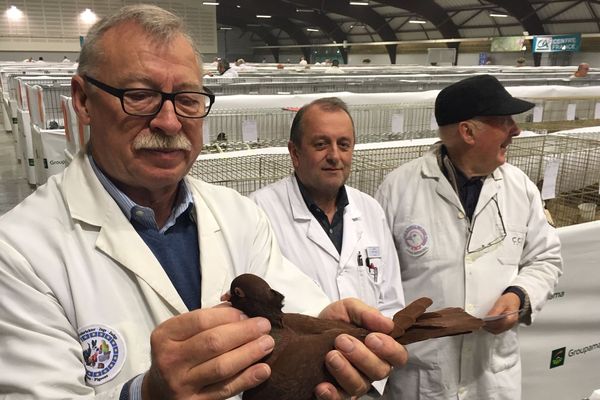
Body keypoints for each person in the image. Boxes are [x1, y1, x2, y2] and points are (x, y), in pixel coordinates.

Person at [0, 5, 407, 400]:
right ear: (83, 100)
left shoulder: (240, 216)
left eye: (188, 99)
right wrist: (146, 394)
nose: (169, 122)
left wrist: (331, 338)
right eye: (140, 96)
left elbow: (294, 309)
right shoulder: (20, 251)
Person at [375, 74, 562, 400]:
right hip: (422, 376)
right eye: (504, 121)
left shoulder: (520, 188)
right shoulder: (398, 190)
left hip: (491, 374)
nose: (515, 130)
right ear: (467, 132)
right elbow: (374, 279)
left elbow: (545, 257)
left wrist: (520, 295)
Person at [249, 97, 406, 396]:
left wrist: (373, 359)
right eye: (321, 144)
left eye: (344, 145)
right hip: (295, 386)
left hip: (366, 379)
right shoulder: (258, 212)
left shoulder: (370, 209)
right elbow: (256, 313)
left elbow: (390, 301)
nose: (335, 155)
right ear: (295, 153)